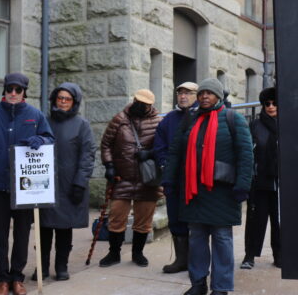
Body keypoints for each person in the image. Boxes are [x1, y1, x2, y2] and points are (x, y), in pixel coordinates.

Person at [163, 78, 253, 295]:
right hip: (194, 191)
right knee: (197, 239)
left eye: (209, 93)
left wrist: (243, 185)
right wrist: (169, 180)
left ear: (218, 97)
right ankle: (198, 282)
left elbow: (245, 155)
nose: (204, 97)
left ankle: (221, 286)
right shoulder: (190, 120)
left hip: (222, 191)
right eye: (202, 93)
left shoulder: (234, 119)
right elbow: (175, 152)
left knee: (222, 238)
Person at [0, 73, 55, 295]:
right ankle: (3, 278)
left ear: (24, 92)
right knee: (0, 235)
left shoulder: (35, 115)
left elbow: (50, 138)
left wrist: (42, 140)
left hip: (25, 188)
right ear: (4, 90)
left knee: (21, 235)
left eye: (18, 89)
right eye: (10, 89)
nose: (14, 93)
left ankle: (17, 276)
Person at [37, 83, 95, 281]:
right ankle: (41, 266)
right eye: (59, 98)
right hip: (45, 183)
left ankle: (61, 266)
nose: (62, 102)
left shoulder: (82, 125)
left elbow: (87, 155)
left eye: (67, 99)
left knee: (64, 228)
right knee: (44, 227)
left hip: (69, 184)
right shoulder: (43, 121)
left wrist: (80, 182)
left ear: (74, 102)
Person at [99, 89, 163, 267]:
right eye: (138, 101)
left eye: (144, 103)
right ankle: (114, 253)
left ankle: (138, 253)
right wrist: (109, 165)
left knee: (143, 221)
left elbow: (165, 148)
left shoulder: (159, 122)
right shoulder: (120, 119)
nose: (140, 105)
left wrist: (150, 153)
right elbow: (106, 144)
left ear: (151, 105)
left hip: (147, 179)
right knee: (116, 218)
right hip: (122, 177)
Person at [153, 82, 198, 273]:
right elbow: (159, 144)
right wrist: (164, 164)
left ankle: (198, 261)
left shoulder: (202, 117)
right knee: (175, 218)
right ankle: (181, 260)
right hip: (174, 177)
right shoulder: (169, 119)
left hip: (196, 178)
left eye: (187, 93)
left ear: (197, 95)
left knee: (197, 220)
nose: (183, 96)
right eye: (180, 93)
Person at [241, 87, 280, 269]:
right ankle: (249, 256)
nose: (271, 107)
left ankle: (279, 255)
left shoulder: (288, 124)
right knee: (256, 220)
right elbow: (248, 152)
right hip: (260, 180)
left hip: (281, 181)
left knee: (279, 220)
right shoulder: (255, 125)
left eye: (274, 103)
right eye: (267, 104)